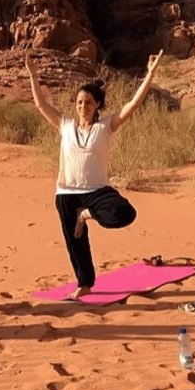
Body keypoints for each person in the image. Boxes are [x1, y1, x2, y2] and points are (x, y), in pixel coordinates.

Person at [26, 50, 163, 300]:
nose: (82, 106)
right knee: (74, 242)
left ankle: (86, 215)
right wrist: (33, 76)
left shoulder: (105, 127)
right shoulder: (64, 125)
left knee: (125, 213)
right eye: (79, 102)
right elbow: (40, 104)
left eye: (88, 102)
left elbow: (132, 105)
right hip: (67, 193)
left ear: (97, 104)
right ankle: (85, 283)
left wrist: (150, 74)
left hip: (97, 192)